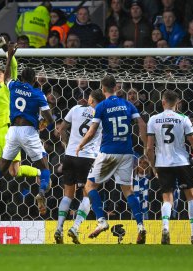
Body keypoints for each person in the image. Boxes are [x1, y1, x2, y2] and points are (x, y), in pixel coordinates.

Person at [0, 43, 54, 216]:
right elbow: (49, 118)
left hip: (12, 132)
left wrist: (9, 55)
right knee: (45, 167)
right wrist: (44, 122)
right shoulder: (37, 93)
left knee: (2, 168)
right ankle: (41, 192)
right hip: (28, 131)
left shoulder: (13, 87)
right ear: (34, 80)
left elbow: (7, 77)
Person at [76, 75, 148, 244]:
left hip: (108, 151)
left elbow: (92, 131)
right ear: (116, 87)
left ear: (102, 89)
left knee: (89, 186)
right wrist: (146, 147)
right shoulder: (127, 104)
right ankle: (140, 226)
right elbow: (142, 125)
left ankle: (101, 221)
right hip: (126, 152)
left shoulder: (101, 106)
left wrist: (80, 145)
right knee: (128, 191)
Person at [146, 90, 193, 245]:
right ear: (177, 103)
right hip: (181, 162)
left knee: (167, 198)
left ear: (162, 102)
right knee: (191, 197)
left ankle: (165, 228)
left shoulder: (153, 119)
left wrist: (153, 166)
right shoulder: (183, 119)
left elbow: (148, 149)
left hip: (163, 164)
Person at [54, 89, 105, 244]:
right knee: (88, 194)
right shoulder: (102, 116)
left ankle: (58, 228)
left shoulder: (75, 109)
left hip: (70, 156)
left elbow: (61, 129)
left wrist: (66, 144)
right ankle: (75, 228)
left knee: (68, 194)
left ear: (90, 100)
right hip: (88, 158)